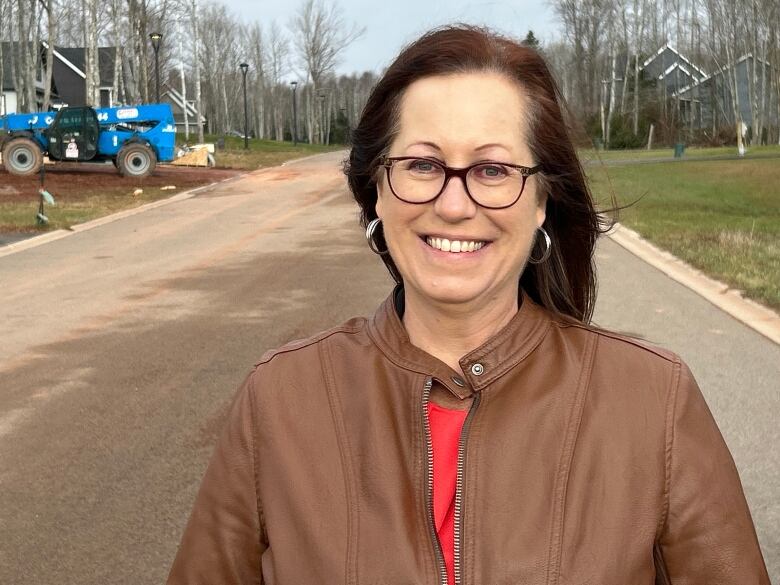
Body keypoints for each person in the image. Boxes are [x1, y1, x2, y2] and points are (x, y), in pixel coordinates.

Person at [167, 24, 770, 584]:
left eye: (492, 169)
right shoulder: (280, 400)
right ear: (375, 189)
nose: (454, 205)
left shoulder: (652, 401)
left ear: (541, 202)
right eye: (423, 164)